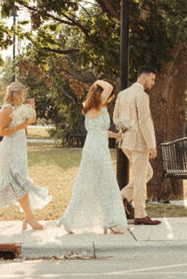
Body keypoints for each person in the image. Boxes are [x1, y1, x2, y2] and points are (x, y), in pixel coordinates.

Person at [60, 80, 127, 235]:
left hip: (96, 147)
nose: (111, 96)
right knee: (107, 184)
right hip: (96, 150)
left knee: (91, 184)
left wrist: (116, 135)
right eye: (111, 95)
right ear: (103, 94)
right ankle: (110, 222)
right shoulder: (97, 106)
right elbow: (109, 87)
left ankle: (74, 220)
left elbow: (100, 130)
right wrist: (97, 81)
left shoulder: (96, 108)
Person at [0, 82, 50, 230]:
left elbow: (32, 120)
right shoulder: (7, 109)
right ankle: (30, 218)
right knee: (19, 182)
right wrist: (20, 126)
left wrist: (32, 108)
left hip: (19, 150)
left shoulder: (20, 109)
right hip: (9, 150)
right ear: (15, 94)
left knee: (7, 183)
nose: (24, 97)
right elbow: (2, 131)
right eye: (22, 94)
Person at [114, 66, 160, 226]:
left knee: (148, 172)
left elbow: (116, 118)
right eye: (152, 79)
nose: (153, 83)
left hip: (126, 142)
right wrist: (152, 146)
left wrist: (125, 131)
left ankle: (122, 196)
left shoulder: (122, 94)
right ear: (143, 78)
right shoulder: (141, 95)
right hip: (139, 143)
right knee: (141, 177)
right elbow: (144, 122)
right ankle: (140, 214)